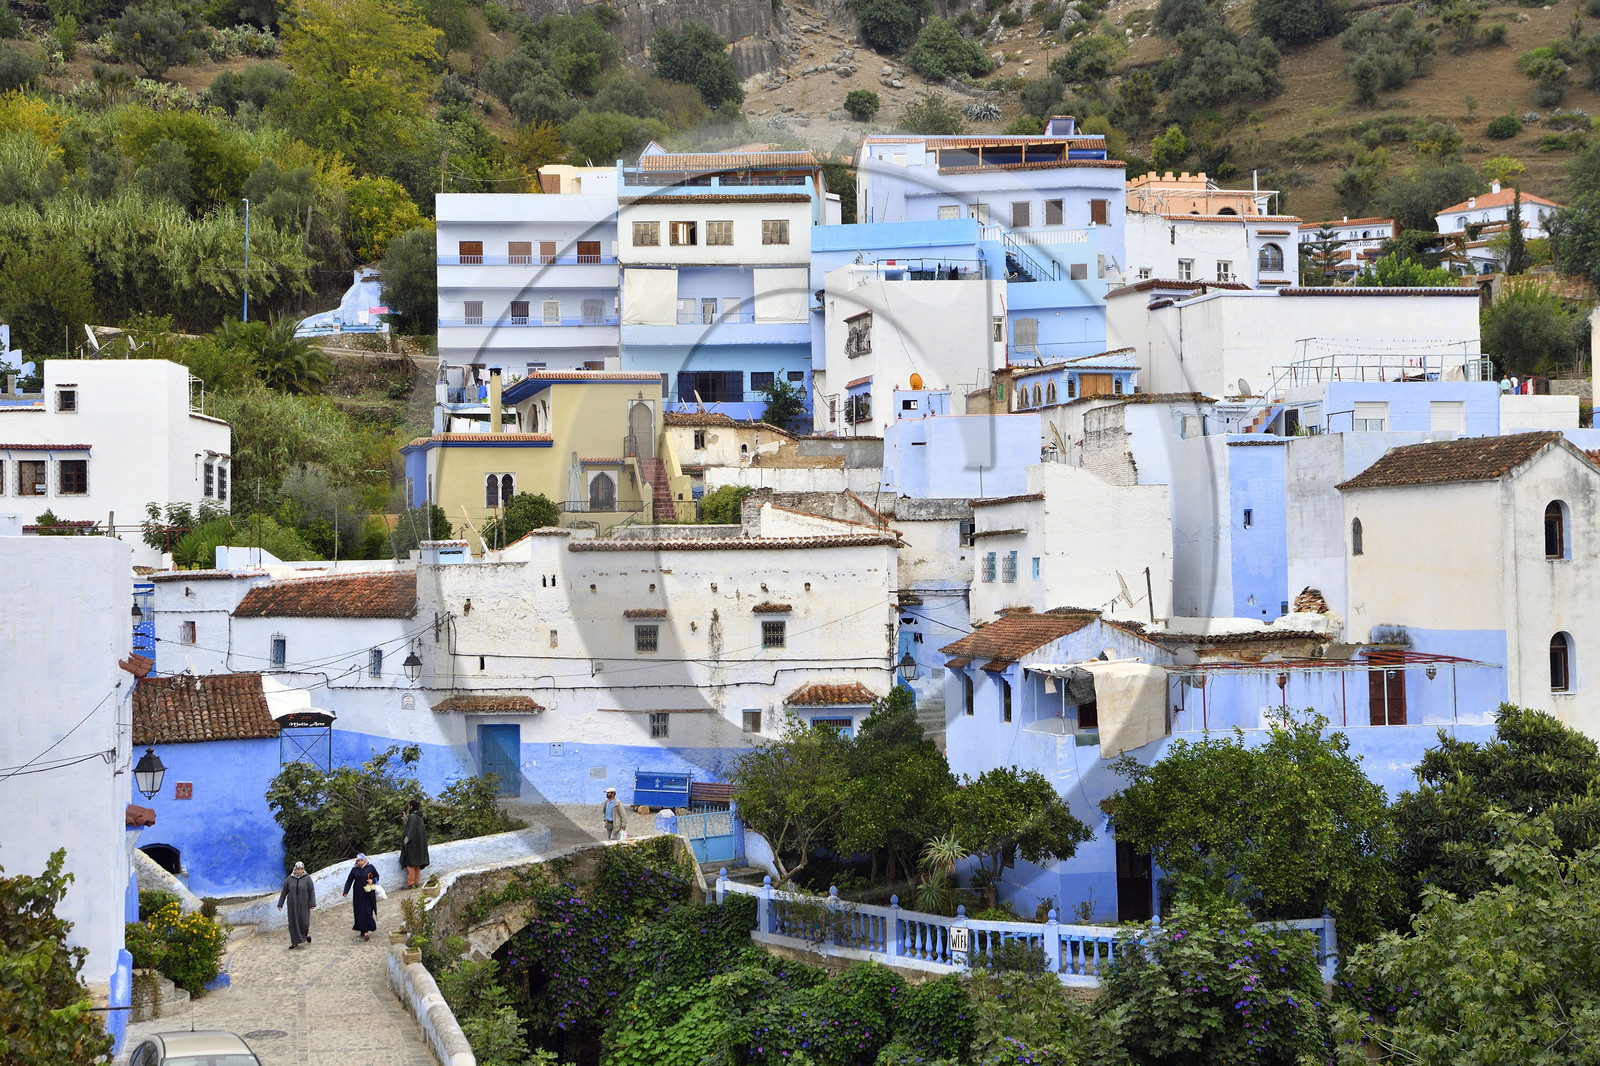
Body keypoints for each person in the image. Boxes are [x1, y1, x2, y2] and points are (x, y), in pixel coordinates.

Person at [277, 861, 316, 949]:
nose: (299, 871)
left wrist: (312, 903)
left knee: (304, 921)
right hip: (292, 905)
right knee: (293, 922)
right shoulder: (289, 879)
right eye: (298, 869)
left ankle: (306, 935)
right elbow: (284, 892)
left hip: (304, 904)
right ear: (295, 869)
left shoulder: (307, 878)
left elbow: (311, 891)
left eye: (301, 869)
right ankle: (294, 942)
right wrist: (280, 903)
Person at [342, 853, 380, 941]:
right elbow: (349, 881)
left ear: (364, 860)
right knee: (360, 912)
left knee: (368, 911)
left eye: (361, 860)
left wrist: (373, 881)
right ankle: (364, 930)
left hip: (369, 893)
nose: (360, 863)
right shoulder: (354, 870)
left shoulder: (370, 868)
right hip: (358, 895)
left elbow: (377, 877)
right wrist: (345, 891)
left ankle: (368, 929)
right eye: (358, 861)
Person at [401, 800, 429, 888]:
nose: (408, 807)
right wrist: (404, 817)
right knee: (417, 864)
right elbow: (410, 825)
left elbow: (410, 831)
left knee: (411, 864)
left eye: (409, 806)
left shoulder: (413, 816)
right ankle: (416, 882)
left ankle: (410, 883)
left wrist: (405, 841)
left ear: (412, 807)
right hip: (419, 845)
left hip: (412, 845)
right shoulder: (419, 816)